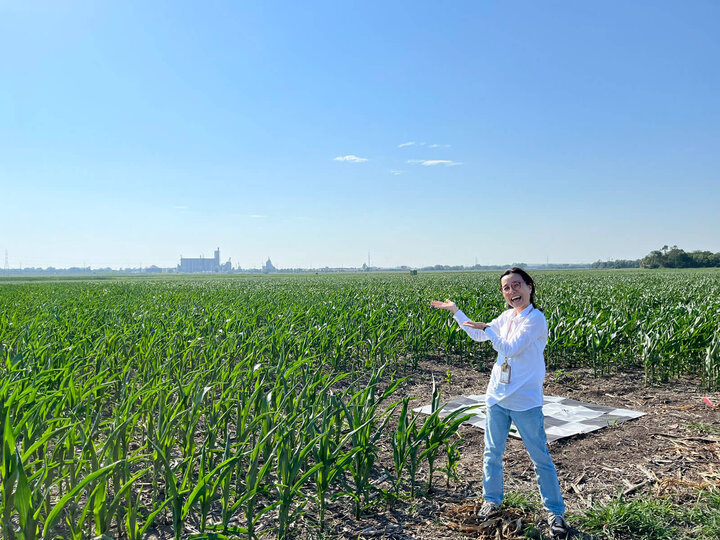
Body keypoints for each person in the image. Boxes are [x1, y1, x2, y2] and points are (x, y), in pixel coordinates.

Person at [431, 267, 569, 537]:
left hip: (525, 401)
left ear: (529, 287)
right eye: (506, 288)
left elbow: (509, 348)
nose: (511, 291)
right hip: (496, 397)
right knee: (492, 454)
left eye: (516, 285)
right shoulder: (506, 316)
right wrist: (457, 312)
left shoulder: (536, 320)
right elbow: (479, 335)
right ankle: (491, 501)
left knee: (540, 457)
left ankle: (555, 513)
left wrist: (488, 330)